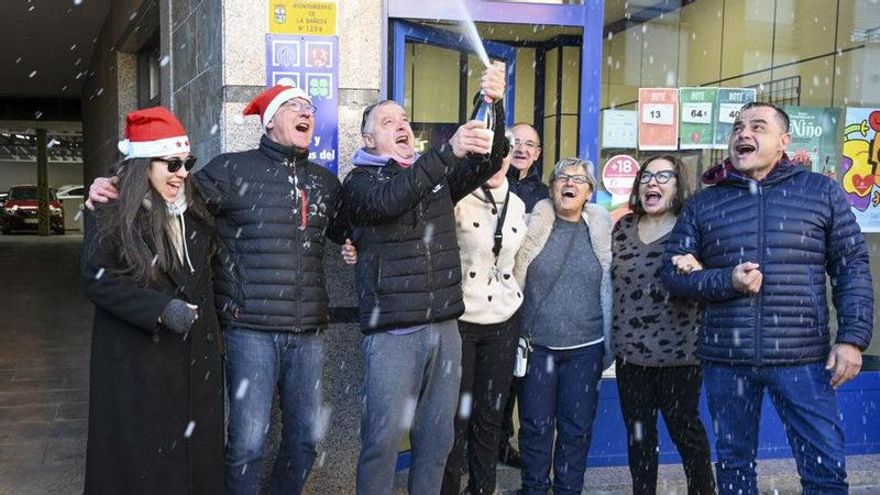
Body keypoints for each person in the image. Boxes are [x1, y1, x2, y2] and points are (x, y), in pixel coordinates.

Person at [87, 85, 348, 495]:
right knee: (244, 445)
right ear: (271, 120)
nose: (306, 113)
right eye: (294, 106)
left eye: (310, 107)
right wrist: (112, 184)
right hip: (241, 334)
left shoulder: (323, 183)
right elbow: (156, 208)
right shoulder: (230, 171)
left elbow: (348, 223)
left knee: (305, 441)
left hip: (297, 335)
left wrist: (353, 241)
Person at [661, 102, 874, 495]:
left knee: (824, 469)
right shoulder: (706, 203)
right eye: (738, 127)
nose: (744, 133)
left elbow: (851, 265)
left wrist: (852, 338)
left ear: (783, 142)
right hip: (727, 359)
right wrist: (727, 281)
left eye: (758, 127)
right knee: (735, 469)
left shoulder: (820, 191)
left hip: (803, 359)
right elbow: (673, 274)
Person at [343, 62, 507, 495]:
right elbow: (392, 199)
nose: (400, 125)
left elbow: (491, 156)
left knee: (437, 442)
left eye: (403, 119)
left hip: (446, 327)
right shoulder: (360, 183)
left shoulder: (434, 176)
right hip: (394, 332)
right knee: (380, 444)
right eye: (387, 121)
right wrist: (446, 153)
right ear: (368, 140)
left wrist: (493, 103)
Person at [82, 107, 223, 494]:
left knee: (195, 459)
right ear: (144, 164)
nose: (182, 172)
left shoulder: (196, 209)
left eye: (188, 162)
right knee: (145, 462)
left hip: (195, 361)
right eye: (173, 163)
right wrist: (160, 310)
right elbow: (97, 281)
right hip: (139, 360)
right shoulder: (109, 211)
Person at [611, 154, 715, 495]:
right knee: (639, 436)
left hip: (679, 358)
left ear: (677, 185)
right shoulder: (623, 228)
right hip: (630, 358)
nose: (652, 183)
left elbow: (713, 282)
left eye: (663, 176)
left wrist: (699, 270)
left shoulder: (692, 229)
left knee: (687, 434)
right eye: (646, 176)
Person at [513, 157, 613, 495]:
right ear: (552, 186)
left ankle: (569, 490)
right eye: (562, 178)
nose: (569, 183)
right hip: (537, 348)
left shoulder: (603, 230)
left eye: (578, 180)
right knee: (535, 427)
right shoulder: (530, 224)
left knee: (576, 428)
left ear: (588, 193)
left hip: (586, 349)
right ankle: (535, 489)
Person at [440, 136, 528, 495]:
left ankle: (481, 489)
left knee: (490, 418)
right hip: (461, 320)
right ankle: (447, 488)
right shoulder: (456, 201)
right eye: (486, 158)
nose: (495, 164)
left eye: (501, 157)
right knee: (454, 419)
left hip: (503, 321)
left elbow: (521, 262)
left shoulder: (521, 205)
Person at [499, 122, 548, 467]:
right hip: (488, 296)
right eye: (516, 142)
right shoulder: (487, 182)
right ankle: (486, 444)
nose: (522, 149)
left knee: (518, 377)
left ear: (538, 153)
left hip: (526, 298)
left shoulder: (545, 196)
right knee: (493, 379)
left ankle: (506, 442)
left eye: (529, 144)